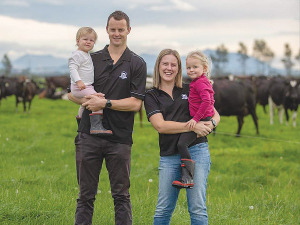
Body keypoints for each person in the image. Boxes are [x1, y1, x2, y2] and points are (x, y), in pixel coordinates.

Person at [68, 11, 147, 225]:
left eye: (121, 29)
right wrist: (87, 101)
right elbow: (71, 93)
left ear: (128, 30)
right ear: (107, 30)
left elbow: (136, 103)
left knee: (121, 196)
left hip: (120, 139)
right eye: (113, 29)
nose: (117, 33)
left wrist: (105, 103)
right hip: (88, 136)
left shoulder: (137, 63)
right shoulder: (91, 58)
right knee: (85, 197)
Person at [144, 49, 220, 225]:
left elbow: (215, 113)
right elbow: (160, 125)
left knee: (197, 208)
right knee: (163, 209)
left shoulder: (191, 87)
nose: (169, 68)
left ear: (179, 68)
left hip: (197, 151)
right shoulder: (151, 95)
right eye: (165, 64)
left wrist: (211, 125)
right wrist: (193, 125)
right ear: (158, 67)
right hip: (169, 155)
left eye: (174, 64)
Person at [172, 50, 215, 189]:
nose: (191, 70)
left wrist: (195, 119)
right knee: (183, 143)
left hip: (201, 118)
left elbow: (206, 102)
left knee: (181, 144)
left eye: (195, 67)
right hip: (203, 117)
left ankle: (187, 177)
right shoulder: (199, 82)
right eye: (189, 67)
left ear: (204, 68)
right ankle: (187, 177)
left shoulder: (200, 83)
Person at [69, 27, 112, 135]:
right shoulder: (77, 54)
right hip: (80, 86)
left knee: (84, 104)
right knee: (98, 99)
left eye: (91, 40)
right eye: (85, 39)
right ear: (77, 41)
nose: (88, 42)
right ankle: (96, 126)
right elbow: (72, 68)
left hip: (87, 86)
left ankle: (80, 120)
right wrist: (78, 81)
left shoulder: (85, 54)